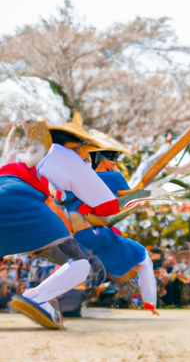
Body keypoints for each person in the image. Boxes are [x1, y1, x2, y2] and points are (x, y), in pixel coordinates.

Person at [0, 121, 110, 329]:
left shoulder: (19, 160)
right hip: (22, 198)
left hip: (9, 194)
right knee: (82, 263)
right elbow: (104, 204)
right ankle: (37, 297)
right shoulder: (60, 157)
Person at [48, 116, 158, 314]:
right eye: (112, 158)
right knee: (143, 257)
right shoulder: (113, 177)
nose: (115, 164)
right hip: (96, 235)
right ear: (100, 158)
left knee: (78, 267)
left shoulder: (72, 179)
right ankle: (150, 304)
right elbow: (126, 202)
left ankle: (44, 298)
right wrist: (146, 188)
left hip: (71, 236)